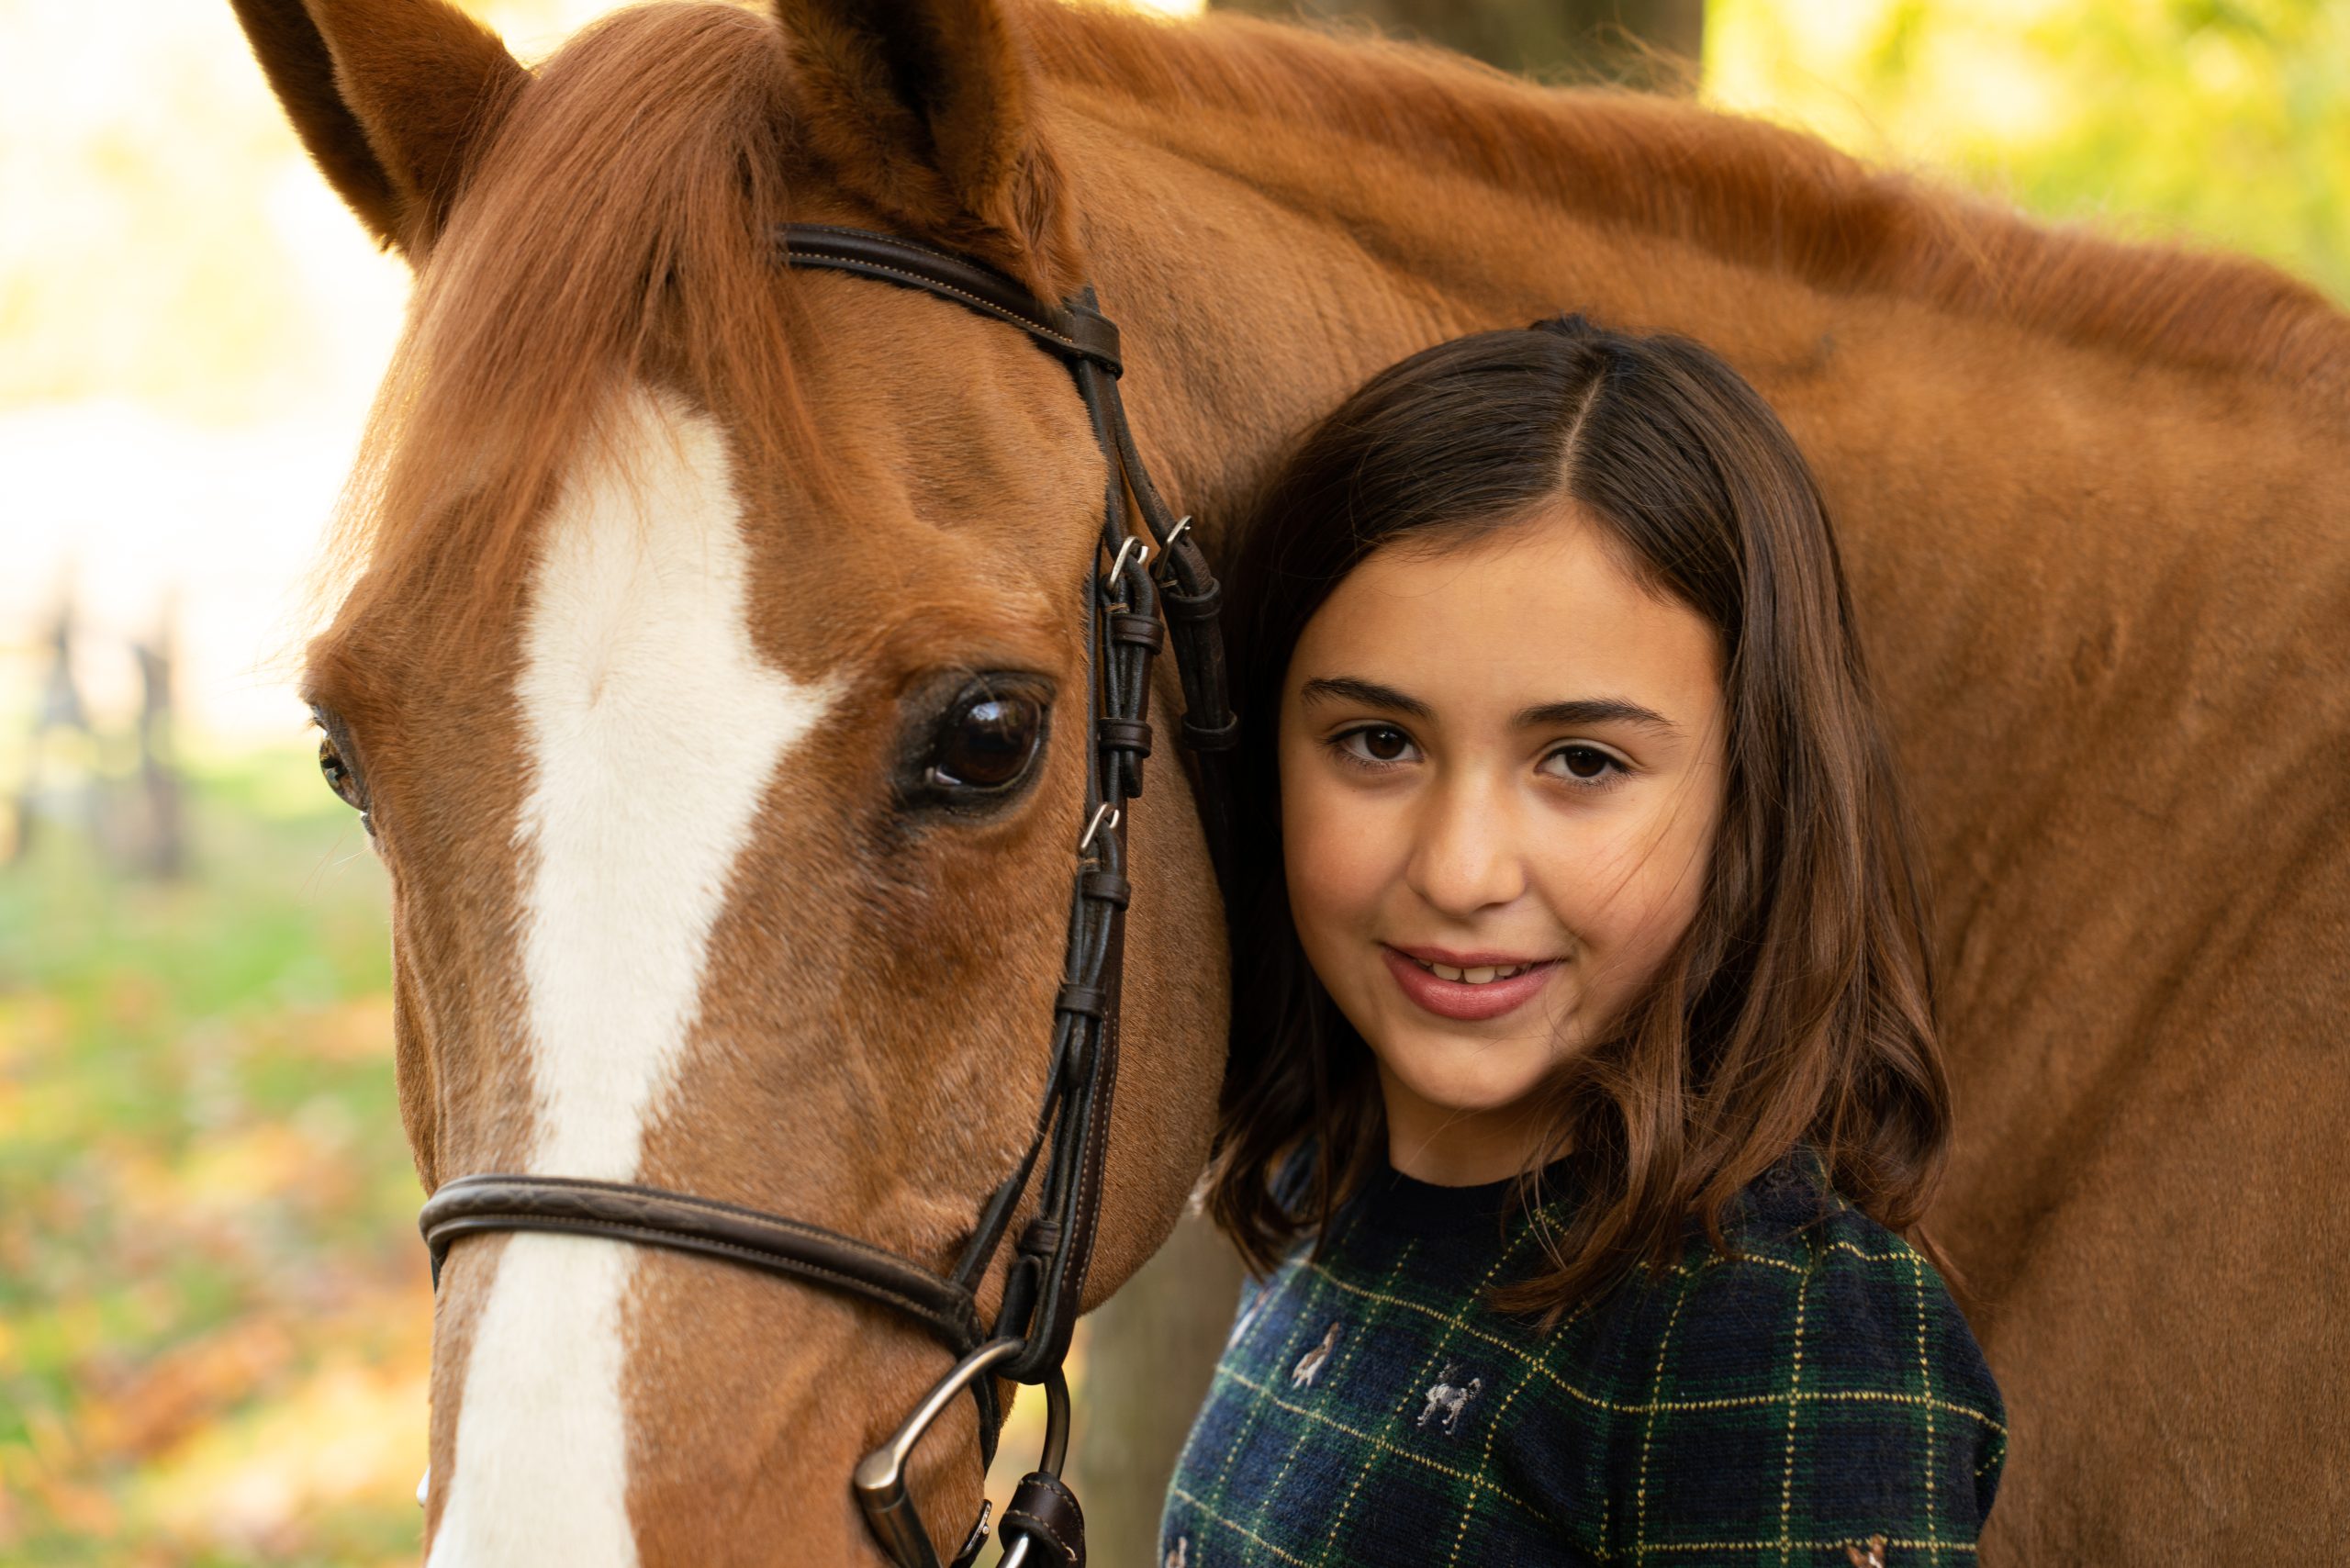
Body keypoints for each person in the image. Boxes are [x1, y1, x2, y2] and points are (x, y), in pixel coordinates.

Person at [1159, 316, 2005, 1567]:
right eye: (1379, 742)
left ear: (1752, 801)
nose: (1459, 870)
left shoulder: (1778, 1325)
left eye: (1582, 762)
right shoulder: (1321, 1194)